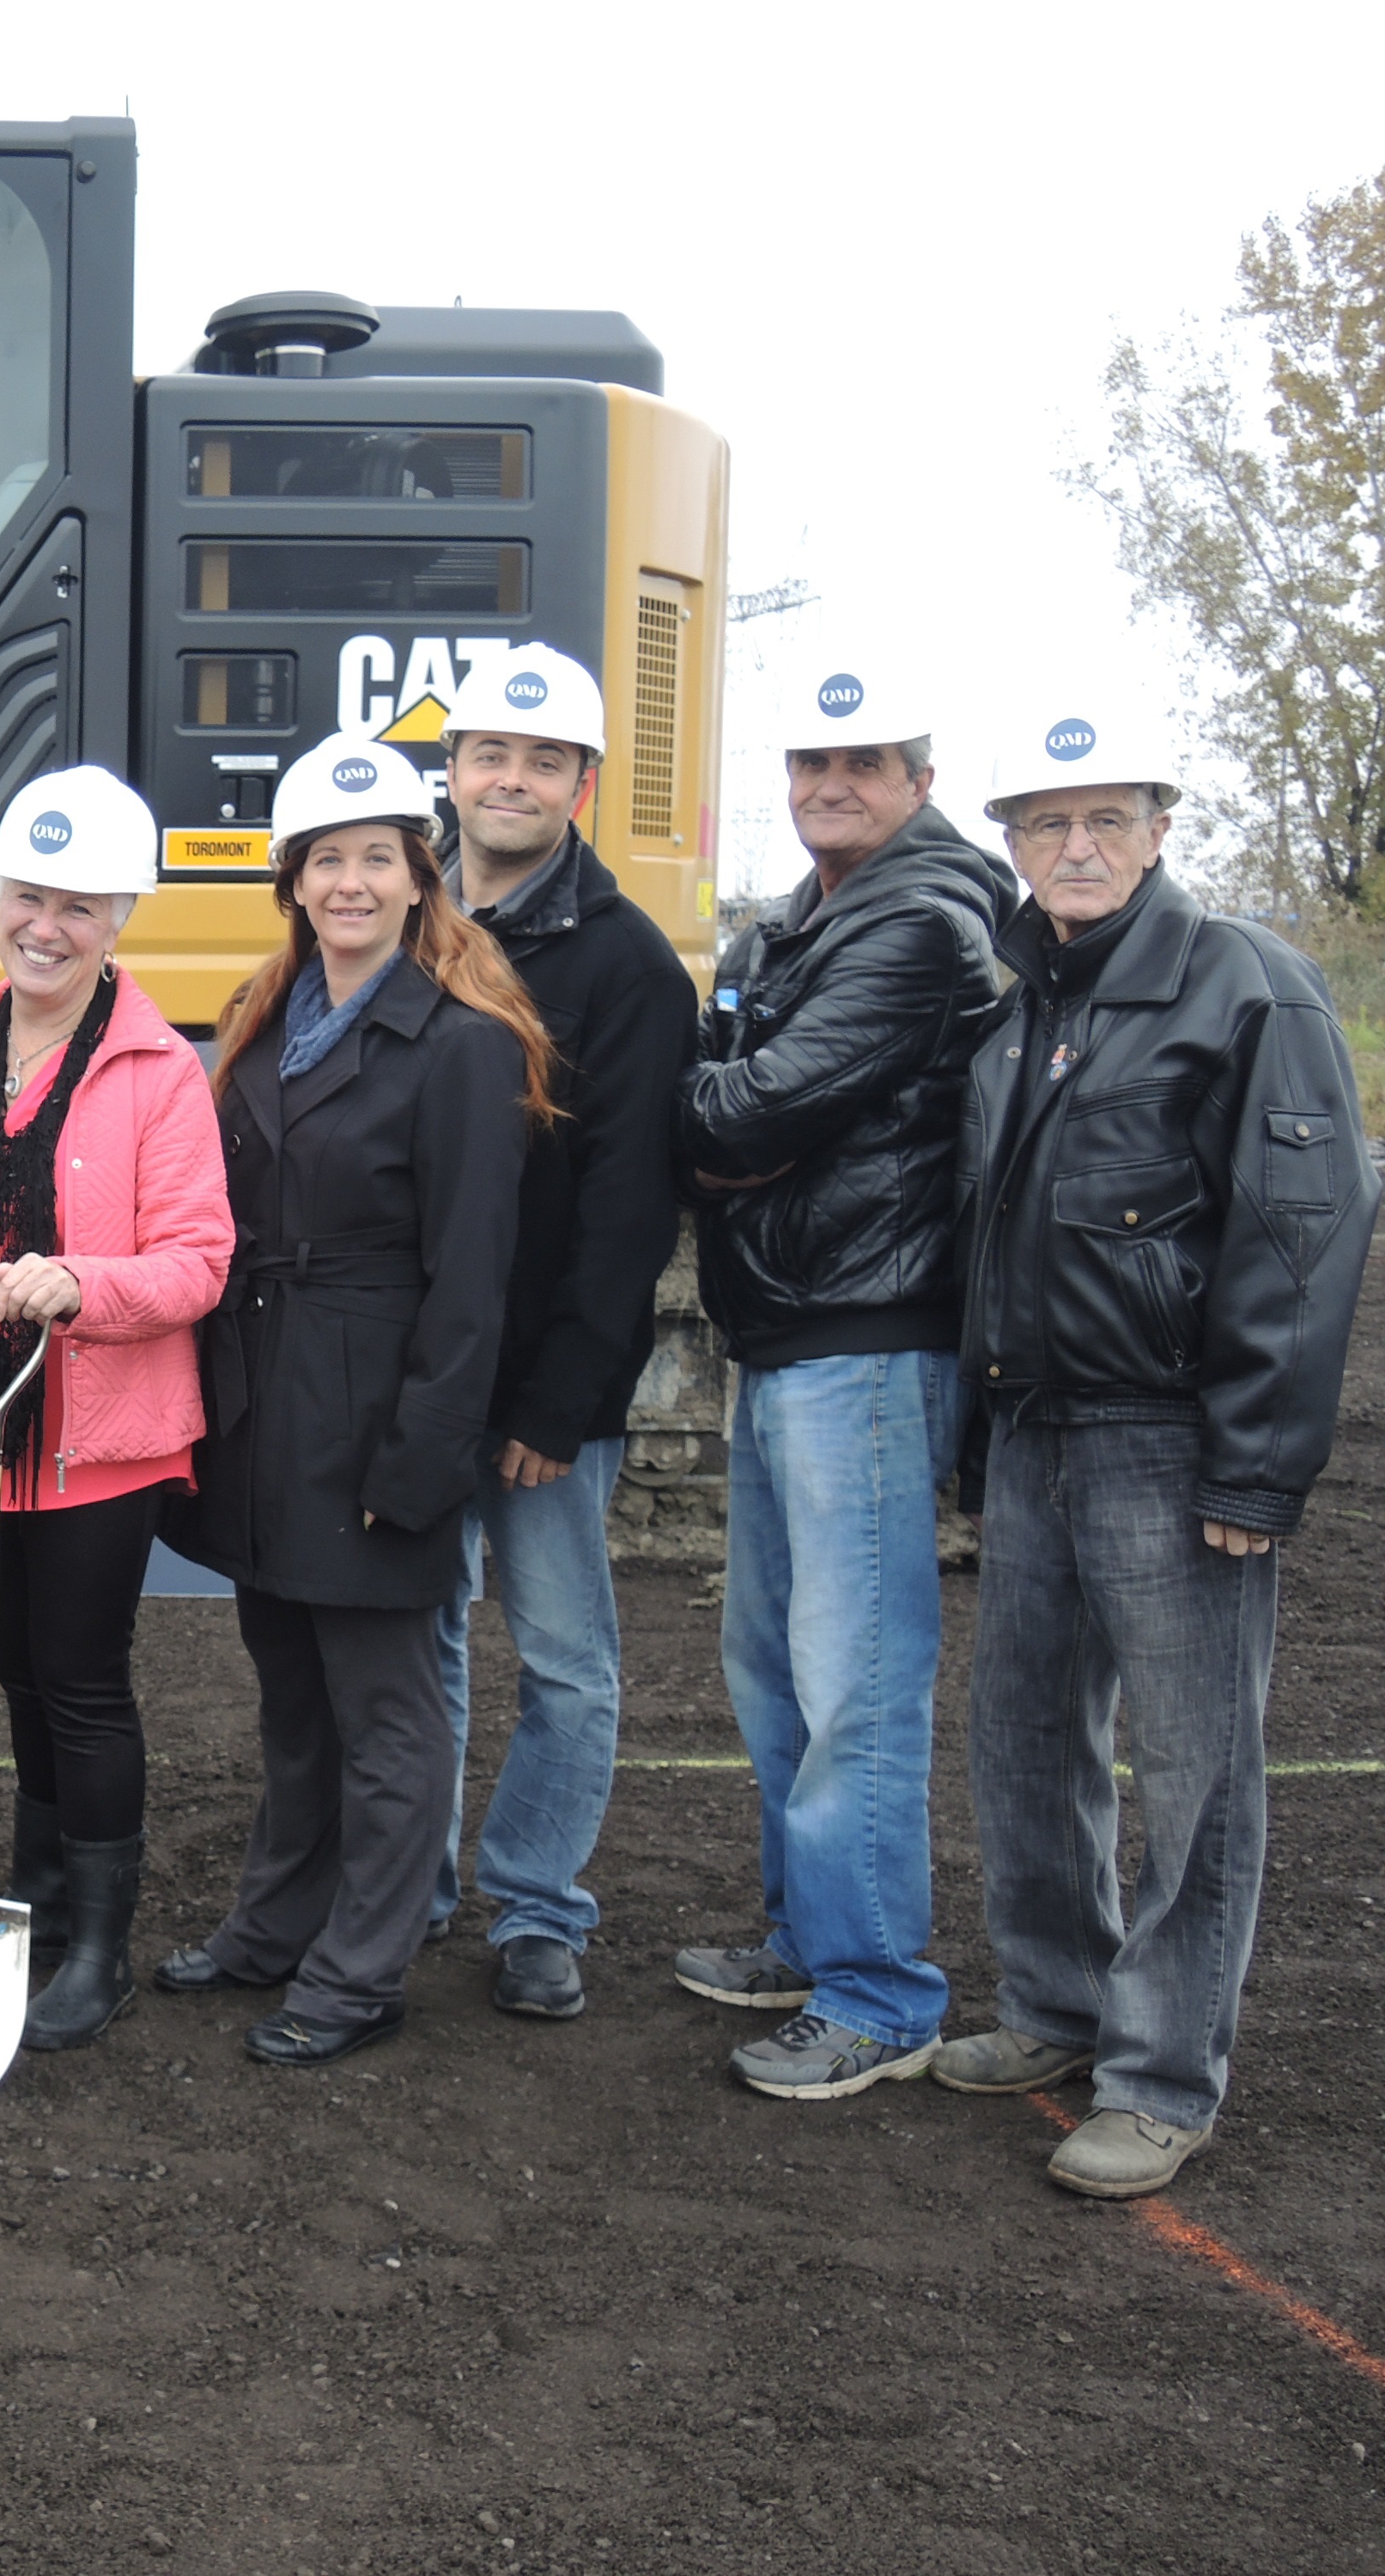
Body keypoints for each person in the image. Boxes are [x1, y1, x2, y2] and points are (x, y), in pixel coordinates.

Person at [939, 702, 1376, 2196]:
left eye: (1105, 819)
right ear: (1009, 839)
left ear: (1163, 826)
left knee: (1195, 1778)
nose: (1075, 846)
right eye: (1046, 823)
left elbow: (1301, 1240)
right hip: (1036, 1429)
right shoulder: (1019, 1002)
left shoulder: (1246, 985)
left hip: (1168, 1444)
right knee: (1026, 1743)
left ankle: (1163, 2071)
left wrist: (1256, 1465)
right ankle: (1057, 2008)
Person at [158, 737, 547, 2067]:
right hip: (270, 1414)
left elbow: (473, 1280)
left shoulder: (464, 1046)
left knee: (387, 1714)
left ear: (420, 877)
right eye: (328, 858)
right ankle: (277, 1926)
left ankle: (363, 1965)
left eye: (378, 856)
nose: (352, 881)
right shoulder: (266, 1019)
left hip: (376, 1418)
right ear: (294, 881)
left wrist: (423, 1457)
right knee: (293, 1698)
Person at [673, 652, 1018, 2100]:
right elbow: (739, 1091)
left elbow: (752, 1104)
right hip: (793, 1328)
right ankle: (816, 1938)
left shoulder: (922, 923)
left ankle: (879, 1991)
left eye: (863, 767)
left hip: (871, 1337)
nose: (831, 788)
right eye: (812, 769)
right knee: (772, 1667)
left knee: (857, 1678)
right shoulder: (801, 919)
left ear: (921, 784)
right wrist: (720, 1100)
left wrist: (683, 1102)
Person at [0, 766, 233, 2052]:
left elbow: (200, 1259)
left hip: (97, 1435)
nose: (45, 926)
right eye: (29, 895)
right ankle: (41, 1905)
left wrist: (81, 1284)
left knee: (82, 1680)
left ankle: (98, 1945)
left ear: (120, 923)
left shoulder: (160, 1073)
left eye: (80, 907)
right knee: (10, 1671)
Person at [426, 646, 695, 2019]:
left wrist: (566, 1395)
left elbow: (628, 1204)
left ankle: (538, 1906)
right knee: (414, 1644)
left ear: (581, 784)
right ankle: (408, 1881)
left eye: (541, 760)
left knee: (566, 1658)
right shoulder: (397, 912)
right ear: (455, 769)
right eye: (488, 754)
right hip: (415, 1371)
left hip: (540, 1386)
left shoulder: (629, 963)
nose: (510, 779)